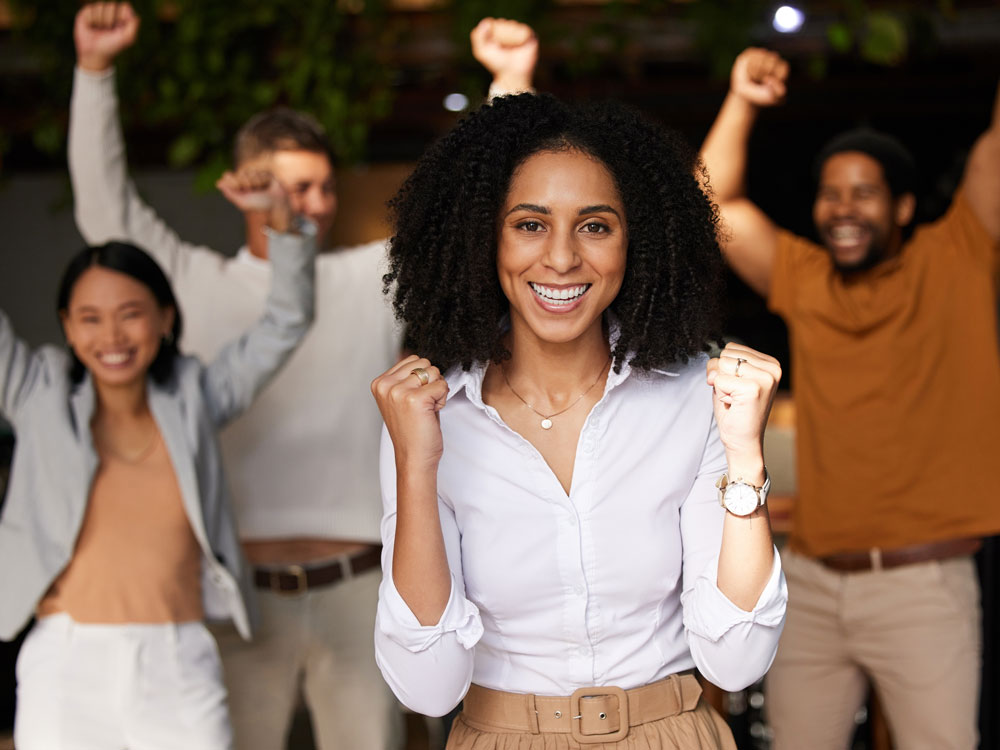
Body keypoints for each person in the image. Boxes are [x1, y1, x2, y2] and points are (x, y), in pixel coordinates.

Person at [68, 4, 538, 747]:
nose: (310, 206)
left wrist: (510, 81)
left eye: (321, 187)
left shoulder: (366, 278)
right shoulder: (190, 280)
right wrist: (94, 72)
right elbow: (106, 212)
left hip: (359, 588)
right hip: (237, 598)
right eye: (291, 187)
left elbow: (467, 211)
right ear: (248, 184)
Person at [370, 92, 788, 749]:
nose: (561, 258)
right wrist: (416, 468)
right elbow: (427, 687)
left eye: (595, 225)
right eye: (530, 224)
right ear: (486, 235)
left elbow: (735, 663)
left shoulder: (691, 402)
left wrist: (745, 458)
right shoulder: (428, 419)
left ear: (636, 239)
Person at [700, 47, 1000, 750]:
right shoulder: (806, 277)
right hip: (809, 584)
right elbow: (711, 201)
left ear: (900, 204)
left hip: (921, 584)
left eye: (863, 192)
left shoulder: (957, 251)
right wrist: (742, 97)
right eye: (831, 192)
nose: (842, 208)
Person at [0, 172, 315, 750]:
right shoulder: (35, 391)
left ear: (166, 318)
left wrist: (281, 222)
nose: (111, 335)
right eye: (89, 318)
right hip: (66, 665)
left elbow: (284, 323)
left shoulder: (196, 395)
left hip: (178, 661)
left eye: (131, 313)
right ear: (67, 327)